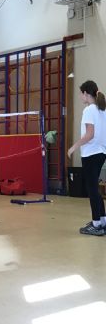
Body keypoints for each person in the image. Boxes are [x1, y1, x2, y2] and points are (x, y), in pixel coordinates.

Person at [68, 80, 106, 236]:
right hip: (101, 153)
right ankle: (102, 221)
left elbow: (89, 134)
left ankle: (96, 224)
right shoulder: (102, 109)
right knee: (95, 188)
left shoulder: (89, 110)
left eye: (81, 93)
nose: (80, 96)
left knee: (92, 190)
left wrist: (74, 147)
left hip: (91, 154)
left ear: (85, 93)